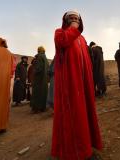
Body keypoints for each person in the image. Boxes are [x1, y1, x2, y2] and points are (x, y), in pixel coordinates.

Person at [51, 11, 102, 160]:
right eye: (71, 18)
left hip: (84, 83)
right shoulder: (60, 33)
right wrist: (73, 28)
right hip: (70, 84)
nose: (74, 20)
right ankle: (76, 152)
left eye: (76, 18)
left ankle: (87, 146)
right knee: (74, 115)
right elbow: (62, 42)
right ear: (66, 20)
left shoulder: (82, 38)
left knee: (85, 113)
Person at [0, 37, 16, 133]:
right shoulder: (9, 54)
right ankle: (2, 125)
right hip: (5, 82)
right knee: (3, 102)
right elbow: (12, 70)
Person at [30, 46, 49, 113]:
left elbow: (38, 68)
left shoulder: (39, 57)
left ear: (38, 50)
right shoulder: (46, 59)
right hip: (44, 80)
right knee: (43, 93)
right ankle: (42, 108)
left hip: (38, 79)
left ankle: (36, 108)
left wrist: (34, 73)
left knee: (37, 93)